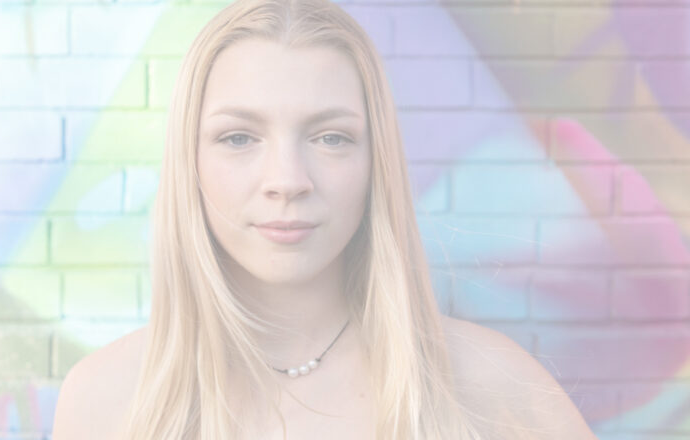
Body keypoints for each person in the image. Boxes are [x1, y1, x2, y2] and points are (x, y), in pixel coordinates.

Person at [52, 0, 600, 439]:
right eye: (239, 137)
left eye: (331, 137)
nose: (288, 180)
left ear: (375, 163)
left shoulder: (489, 384)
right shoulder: (103, 399)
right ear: (189, 162)